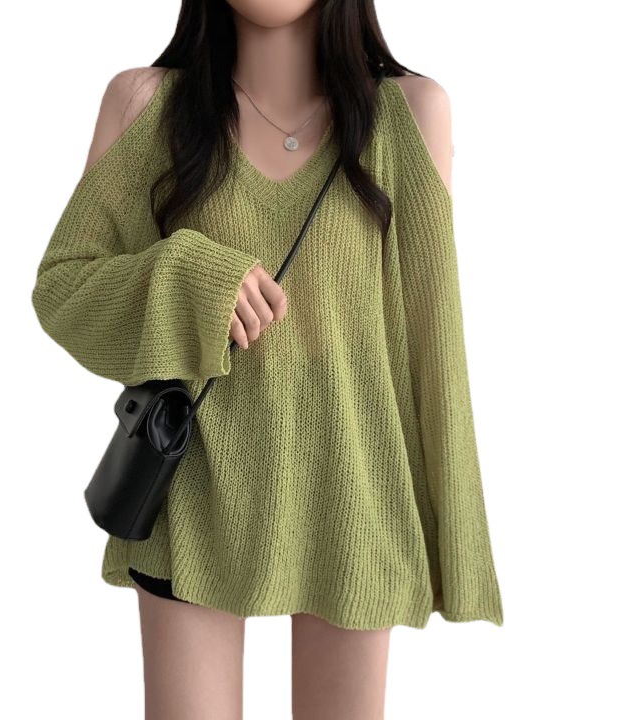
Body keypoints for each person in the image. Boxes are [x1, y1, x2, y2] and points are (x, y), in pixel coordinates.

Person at [31, 1, 504, 717]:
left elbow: (434, 350)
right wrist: (189, 278)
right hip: (196, 498)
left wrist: (456, 542)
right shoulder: (146, 104)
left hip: (355, 497)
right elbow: (64, 290)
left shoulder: (409, 114)